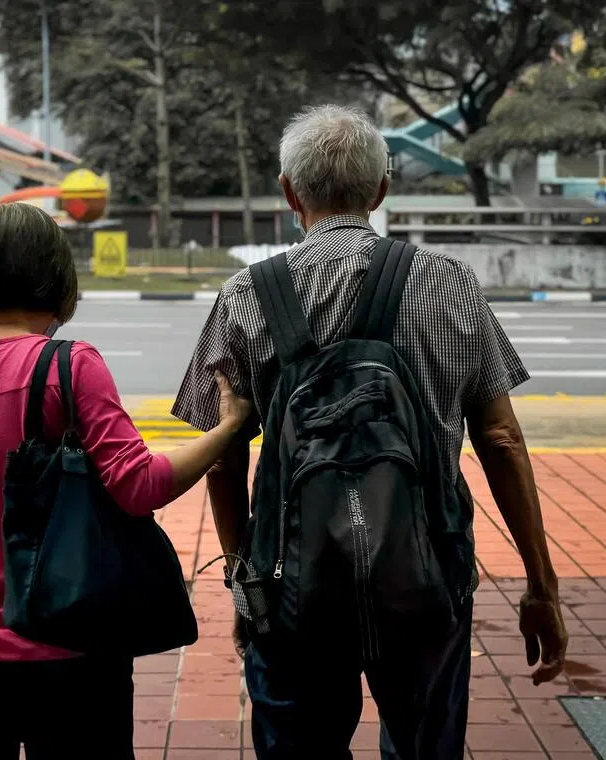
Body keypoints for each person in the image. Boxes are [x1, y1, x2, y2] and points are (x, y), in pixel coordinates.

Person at [173, 105, 568, 759]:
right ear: (381, 190)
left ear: (288, 192)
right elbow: (501, 439)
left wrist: (247, 572)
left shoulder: (245, 296)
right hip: (426, 574)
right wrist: (541, 586)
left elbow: (221, 457)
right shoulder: (448, 284)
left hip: (292, 584)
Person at [0, 202, 252, 759]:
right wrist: (230, 428)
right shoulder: (69, 367)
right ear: (57, 278)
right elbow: (138, 487)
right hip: (68, 646)